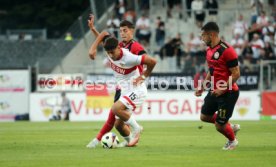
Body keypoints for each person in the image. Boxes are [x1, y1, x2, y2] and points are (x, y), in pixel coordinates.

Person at [86, 14, 148, 148]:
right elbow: (105, 40)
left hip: (133, 88)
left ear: (132, 30)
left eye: (125, 30)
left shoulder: (136, 47)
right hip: (122, 87)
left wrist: (142, 76)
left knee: (112, 115)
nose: (122, 33)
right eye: (120, 31)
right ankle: (130, 141)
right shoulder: (118, 46)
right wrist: (92, 29)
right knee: (117, 124)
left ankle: (96, 141)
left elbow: (147, 62)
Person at [195, 22, 241, 150]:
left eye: (203, 35)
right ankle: (230, 127)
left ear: (212, 34)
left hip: (228, 92)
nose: (202, 38)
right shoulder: (209, 50)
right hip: (215, 90)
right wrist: (203, 86)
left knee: (219, 126)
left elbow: (236, 73)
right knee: (204, 116)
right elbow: (212, 70)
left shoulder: (227, 50)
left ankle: (232, 141)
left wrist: (223, 88)